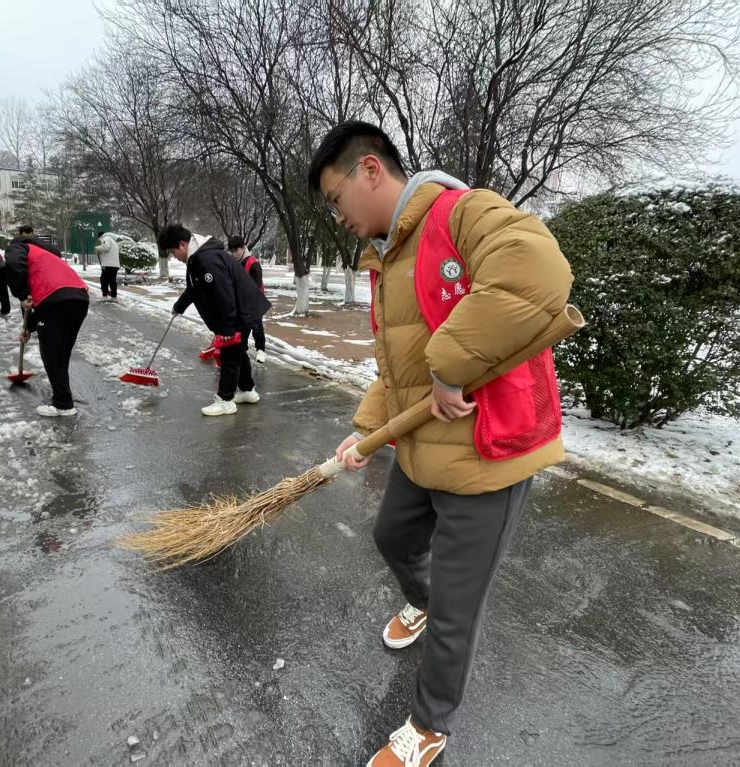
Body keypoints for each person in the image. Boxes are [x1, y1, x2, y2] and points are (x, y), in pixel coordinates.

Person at [309, 121, 573, 767]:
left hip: (490, 450)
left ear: (371, 170)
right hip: (423, 442)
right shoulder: (389, 256)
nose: (337, 215)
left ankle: (429, 725)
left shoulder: (466, 211)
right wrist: (367, 431)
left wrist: (449, 363)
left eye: (336, 197)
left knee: (460, 606)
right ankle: (419, 601)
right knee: (392, 538)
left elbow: (539, 272)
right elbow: (395, 365)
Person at [157, 224, 270, 416]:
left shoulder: (206, 260)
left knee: (230, 353)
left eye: (172, 251)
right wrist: (179, 306)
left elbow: (223, 295)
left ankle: (225, 400)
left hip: (240, 310)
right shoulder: (198, 257)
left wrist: (227, 330)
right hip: (243, 308)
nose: (173, 256)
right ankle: (247, 390)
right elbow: (195, 288)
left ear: (182, 244)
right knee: (238, 351)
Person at [4, 230, 90, 417]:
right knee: (61, 351)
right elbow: (33, 302)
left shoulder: (19, 247)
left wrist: (21, 293)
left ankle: (63, 404)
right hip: (79, 298)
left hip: (55, 301)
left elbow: (13, 266)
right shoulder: (47, 254)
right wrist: (28, 328)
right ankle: (63, 393)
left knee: (52, 354)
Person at [227, 236, 267, 363]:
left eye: (236, 250)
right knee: (241, 330)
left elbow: (256, 285)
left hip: (254, 301)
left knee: (256, 326)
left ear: (243, 248)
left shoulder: (253, 263)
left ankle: (260, 350)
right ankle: (241, 352)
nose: (234, 254)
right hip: (240, 302)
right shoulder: (234, 263)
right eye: (232, 251)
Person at [95, 231, 121, 301]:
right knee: (112, 281)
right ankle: (113, 296)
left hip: (108, 264)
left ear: (100, 236)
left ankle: (104, 296)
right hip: (115, 265)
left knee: (104, 280)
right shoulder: (113, 241)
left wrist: (97, 248)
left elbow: (105, 247)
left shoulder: (106, 238)